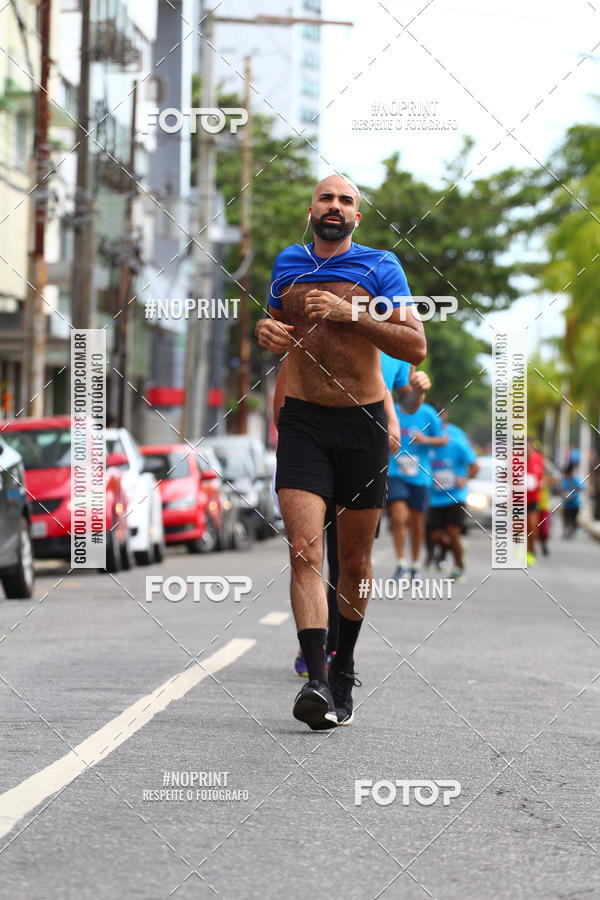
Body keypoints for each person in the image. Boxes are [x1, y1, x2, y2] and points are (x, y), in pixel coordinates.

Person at [255, 173, 426, 729]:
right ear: (311, 210)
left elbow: (415, 345)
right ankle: (317, 682)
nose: (335, 206)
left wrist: (353, 313)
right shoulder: (287, 263)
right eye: (326, 198)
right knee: (304, 551)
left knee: (353, 562)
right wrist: (266, 331)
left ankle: (343, 665)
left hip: (362, 424)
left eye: (345, 200)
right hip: (303, 422)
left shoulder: (381, 267)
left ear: (357, 216)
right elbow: (279, 324)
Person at [387, 397, 447, 583]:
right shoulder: (391, 410)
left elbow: (443, 439)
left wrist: (424, 439)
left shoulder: (428, 413)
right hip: (395, 472)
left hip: (420, 476)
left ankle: (415, 565)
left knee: (417, 523)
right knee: (398, 517)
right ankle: (400, 563)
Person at [427, 414, 479, 581]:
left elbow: (475, 466)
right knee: (435, 536)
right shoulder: (426, 445)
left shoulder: (457, 444)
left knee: (453, 532)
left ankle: (459, 567)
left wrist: (465, 478)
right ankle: (457, 548)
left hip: (455, 497)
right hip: (435, 498)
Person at [526, 437, 545, 566]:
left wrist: (541, 483)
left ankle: (530, 552)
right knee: (517, 527)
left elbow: (546, 476)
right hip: (517, 499)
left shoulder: (539, 459)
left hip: (533, 499)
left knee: (532, 526)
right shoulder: (514, 460)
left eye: (528, 447)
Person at [560, 462, 583, 539]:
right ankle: (566, 532)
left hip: (575, 503)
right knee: (566, 518)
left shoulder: (575, 480)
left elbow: (581, 488)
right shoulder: (564, 480)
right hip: (566, 504)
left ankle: (572, 532)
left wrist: (575, 491)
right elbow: (561, 489)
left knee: (573, 519)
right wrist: (564, 495)